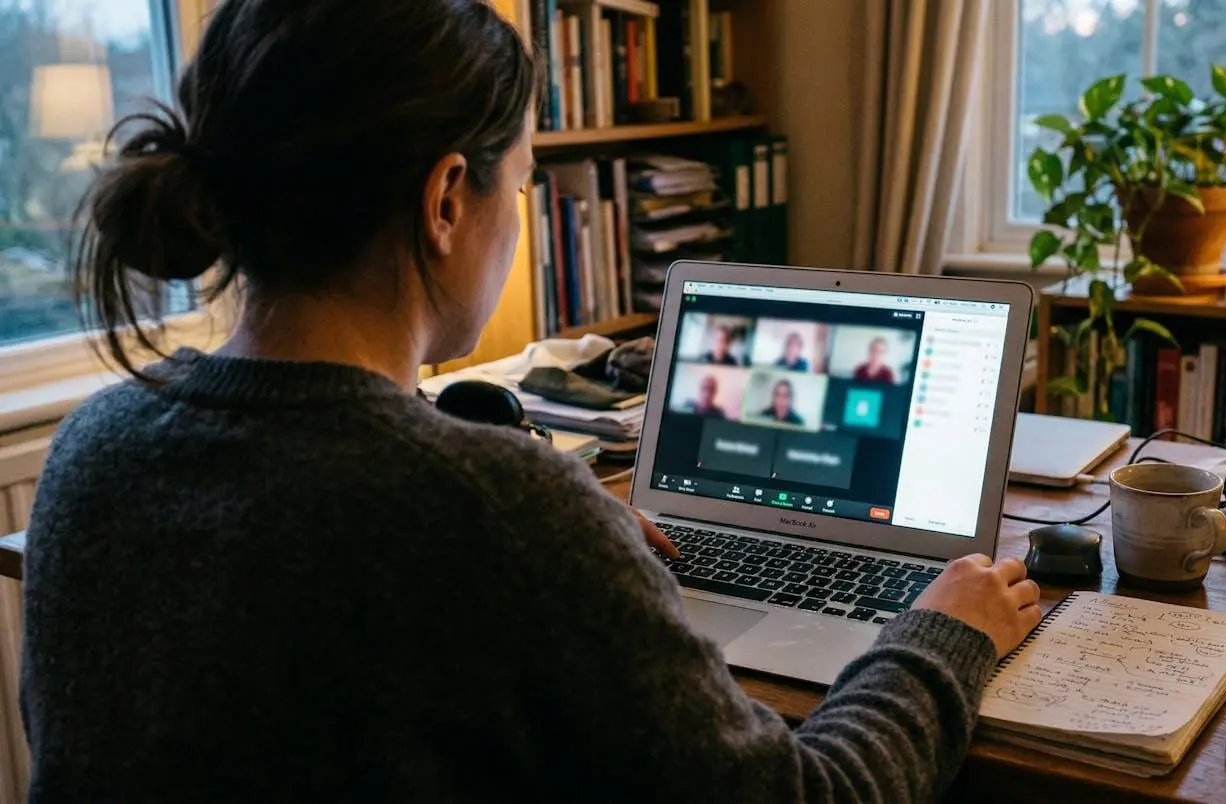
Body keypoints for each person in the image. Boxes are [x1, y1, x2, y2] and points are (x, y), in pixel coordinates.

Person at [21, 1, 1042, 801]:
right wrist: (943, 628)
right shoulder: (499, 512)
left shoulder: (91, 449)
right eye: (519, 186)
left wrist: (568, 546)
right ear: (444, 199)